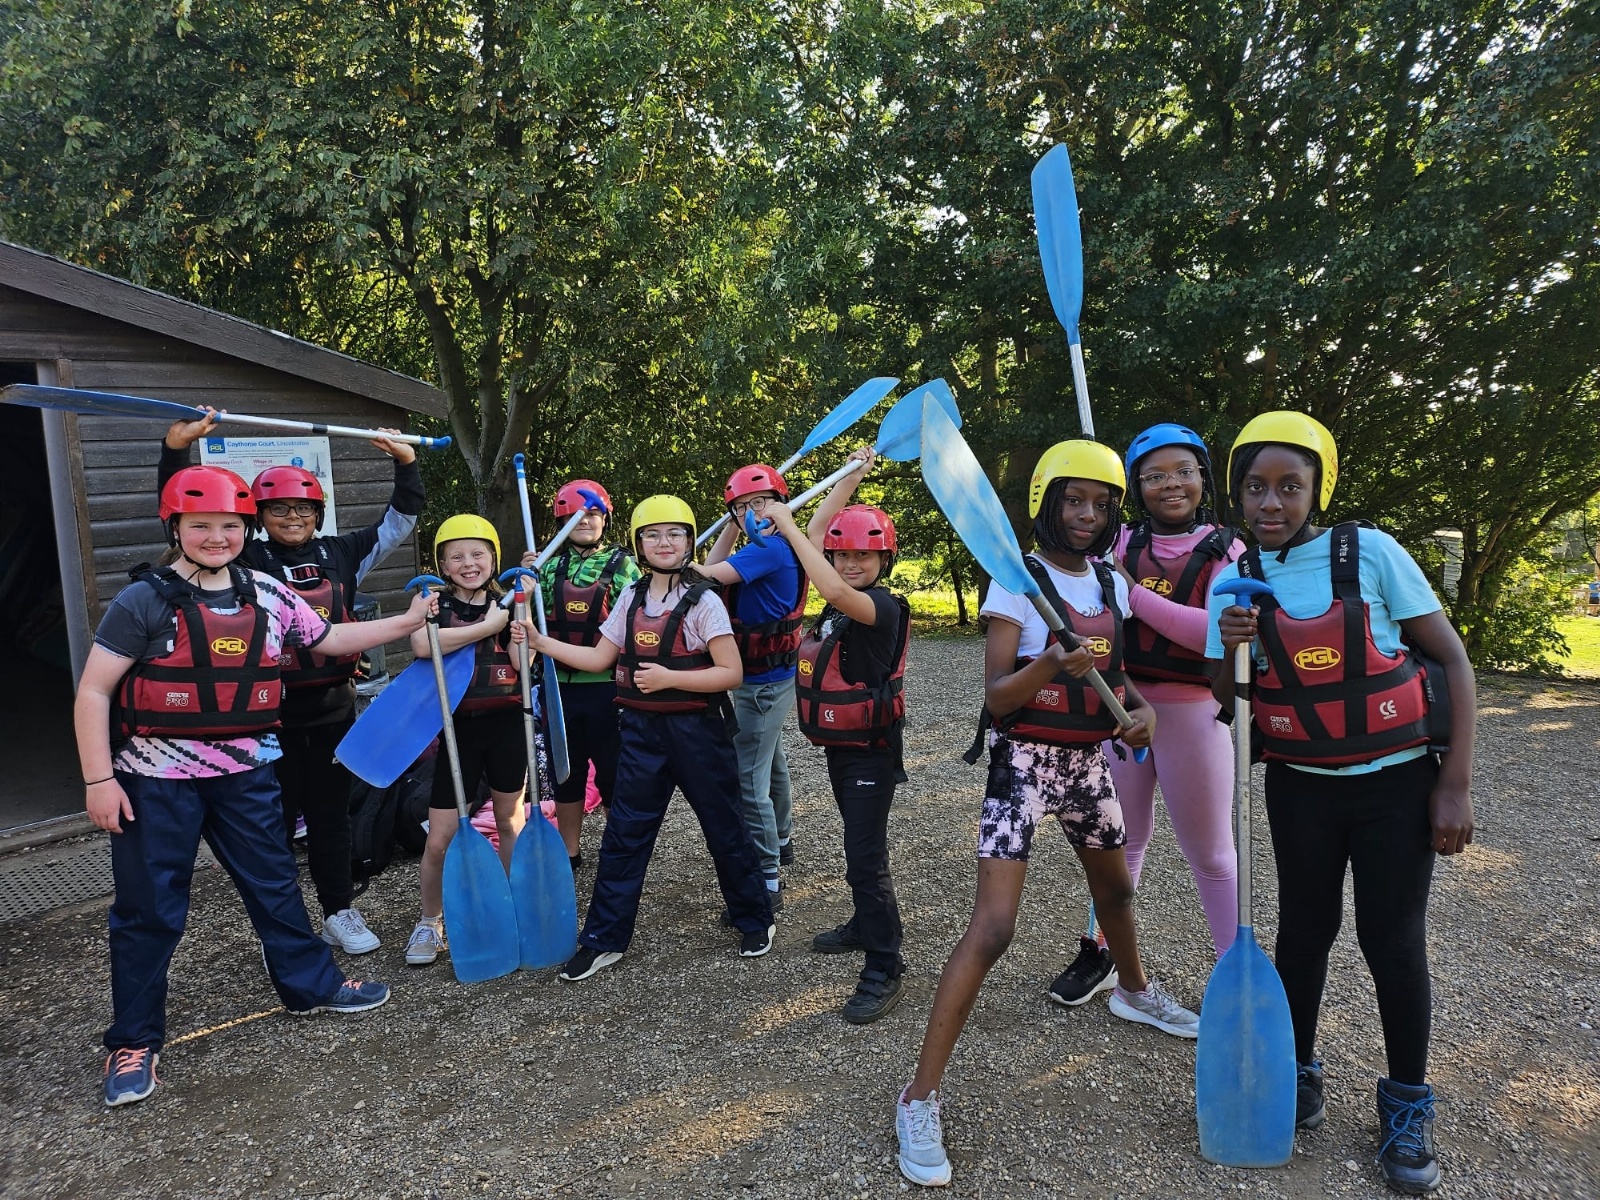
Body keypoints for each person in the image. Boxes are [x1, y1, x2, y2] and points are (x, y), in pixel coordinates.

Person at [75, 465, 436, 1108]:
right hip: (156, 779)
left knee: (274, 886)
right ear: (175, 528)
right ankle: (133, 1040)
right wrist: (99, 779)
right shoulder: (143, 601)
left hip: (245, 773)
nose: (217, 537)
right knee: (149, 910)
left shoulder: (266, 592)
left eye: (229, 525)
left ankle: (310, 985)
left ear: (245, 528)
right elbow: (95, 691)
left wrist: (406, 620)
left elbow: (331, 638)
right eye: (201, 525)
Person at [896, 441, 1199, 1188]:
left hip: (1088, 764)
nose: (1088, 514)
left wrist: (1142, 716)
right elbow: (998, 697)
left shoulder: (1111, 582)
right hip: (1023, 765)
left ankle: (1133, 990)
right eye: (1074, 500)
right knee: (995, 928)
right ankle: (918, 1097)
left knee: (1117, 892)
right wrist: (1048, 665)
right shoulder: (1016, 581)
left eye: (1101, 503)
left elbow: (1121, 681)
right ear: (1046, 502)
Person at [1207, 411, 1475, 1195]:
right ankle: (1296, 1073)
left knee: (1391, 941)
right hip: (1302, 787)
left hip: (1397, 785)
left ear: (1316, 490)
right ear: (1239, 494)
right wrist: (1230, 645)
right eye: (1256, 487)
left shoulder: (1373, 553)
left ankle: (1407, 1104)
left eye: (1289, 486)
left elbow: (1453, 660)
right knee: (1303, 935)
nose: (1271, 503)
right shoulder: (1234, 575)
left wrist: (1454, 784)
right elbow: (1226, 700)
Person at [159, 410, 424, 955]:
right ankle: (281, 927)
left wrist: (407, 464)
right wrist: (175, 451)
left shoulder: (342, 553)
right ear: (259, 516)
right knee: (270, 826)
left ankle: (338, 911)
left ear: (317, 513)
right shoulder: (240, 557)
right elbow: (187, 515)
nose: (292, 517)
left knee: (330, 818)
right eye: (278, 508)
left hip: (332, 709)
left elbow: (400, 519)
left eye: (302, 508)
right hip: (265, 717)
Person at [528, 495, 774, 980]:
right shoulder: (631, 596)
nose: (664, 543)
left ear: (688, 541)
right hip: (641, 734)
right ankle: (603, 939)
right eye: (653, 535)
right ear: (639, 544)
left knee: (724, 827)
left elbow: (731, 673)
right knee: (624, 835)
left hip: (698, 734)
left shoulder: (704, 601)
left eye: (674, 534)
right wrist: (540, 642)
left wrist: (669, 678)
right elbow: (598, 658)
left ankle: (754, 917)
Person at [1050, 424, 1244, 1006]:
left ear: (1203, 477)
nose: (1171, 484)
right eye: (1155, 476)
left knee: (1212, 855)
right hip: (1122, 708)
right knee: (1118, 842)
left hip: (1194, 713)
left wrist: (1133, 594)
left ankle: (1236, 975)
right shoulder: (1117, 544)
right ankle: (1103, 952)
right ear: (1136, 486)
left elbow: (1212, 635)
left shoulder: (1227, 550)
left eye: (1183, 471)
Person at [757, 448, 911, 1023]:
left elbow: (828, 573)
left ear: (884, 560)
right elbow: (819, 534)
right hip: (843, 750)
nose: (849, 564)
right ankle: (866, 923)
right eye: (841, 555)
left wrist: (787, 523)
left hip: (873, 752)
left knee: (865, 858)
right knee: (857, 844)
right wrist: (851, 477)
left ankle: (885, 964)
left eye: (862, 556)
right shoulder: (842, 602)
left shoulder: (879, 608)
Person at [403, 515, 530, 967]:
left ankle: (512, 906)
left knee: (510, 822)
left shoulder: (508, 604)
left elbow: (521, 662)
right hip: (459, 732)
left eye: (478, 553)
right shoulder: (431, 604)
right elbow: (423, 646)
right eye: (456, 556)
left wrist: (521, 615)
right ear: (442, 564)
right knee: (440, 837)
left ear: (493, 558)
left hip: (507, 725)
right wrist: (486, 626)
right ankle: (430, 920)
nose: (468, 563)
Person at [702, 464, 807, 908]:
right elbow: (715, 567)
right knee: (771, 760)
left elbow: (703, 576)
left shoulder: (769, 549)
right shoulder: (767, 545)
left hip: (761, 684)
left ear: (780, 505)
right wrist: (734, 522)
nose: (751, 513)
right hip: (769, 679)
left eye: (759, 503)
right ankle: (781, 838)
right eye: (741, 507)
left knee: (748, 778)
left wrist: (664, 559)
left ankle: (766, 877)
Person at [525, 479, 641, 868]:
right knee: (566, 774)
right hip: (558, 688)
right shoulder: (547, 566)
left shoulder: (623, 565)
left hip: (607, 690)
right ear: (561, 521)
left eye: (593, 514)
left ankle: (618, 852)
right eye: (575, 515)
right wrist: (526, 579)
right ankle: (569, 852)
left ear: (605, 519)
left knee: (613, 774)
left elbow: (636, 621)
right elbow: (525, 615)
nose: (585, 521)